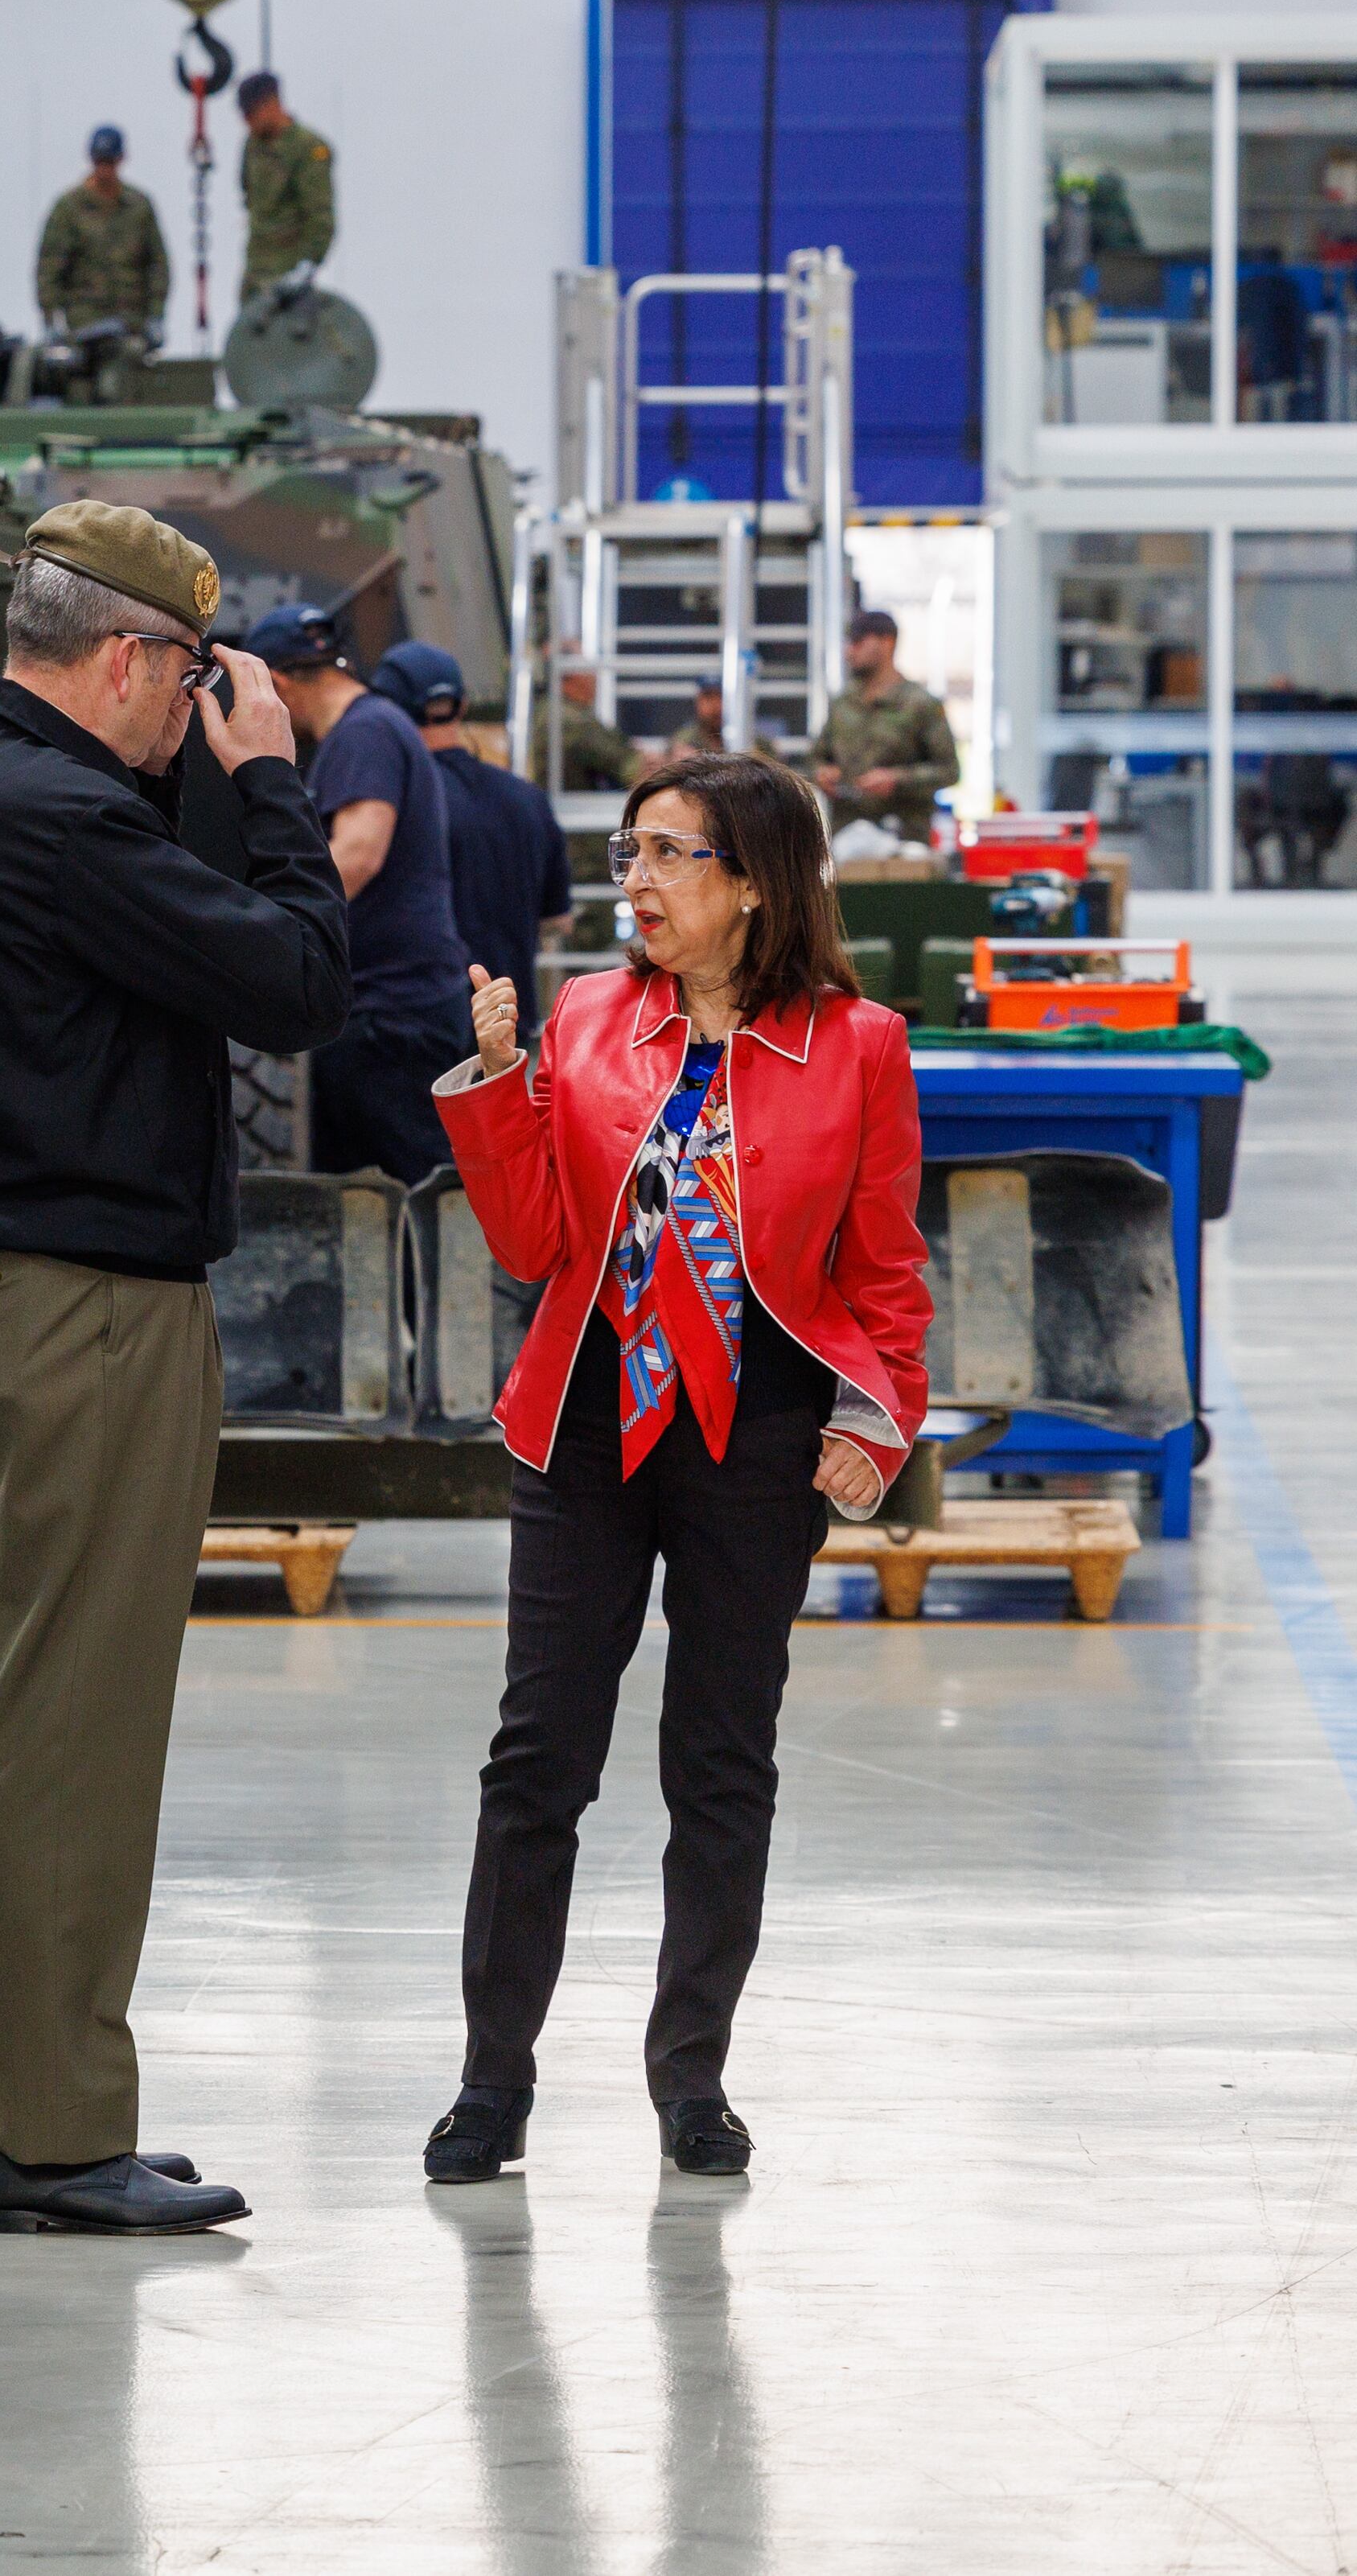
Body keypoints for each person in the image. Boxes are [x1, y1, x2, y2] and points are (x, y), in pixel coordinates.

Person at [0, 500, 347, 2239]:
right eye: (182, 688)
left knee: (35, 1709)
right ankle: (47, 2138)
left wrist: (185, 773)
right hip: (94, 1313)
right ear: (133, 657)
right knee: (82, 1723)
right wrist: (273, 778)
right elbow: (293, 974)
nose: (185, 720)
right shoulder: (63, 820)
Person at [421, 755, 931, 2187]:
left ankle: (690, 2078)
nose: (633, 882)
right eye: (626, 849)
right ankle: (491, 2083)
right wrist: (498, 1083)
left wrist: (876, 1414)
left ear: (756, 881)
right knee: (538, 1761)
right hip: (587, 1427)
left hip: (757, 1436)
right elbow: (532, 1247)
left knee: (722, 1764)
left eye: (667, 854)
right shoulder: (587, 1015)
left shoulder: (861, 1045)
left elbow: (886, 1271)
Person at [253, 605, 471, 1179]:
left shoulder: (365, 731)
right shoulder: (374, 727)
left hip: (392, 1019)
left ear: (276, 682)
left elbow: (359, 852)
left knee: (417, 1194)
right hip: (393, 1012)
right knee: (378, 1202)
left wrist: (268, 931)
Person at [384, 640, 570, 1047]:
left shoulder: (394, 802)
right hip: (506, 1022)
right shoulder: (528, 799)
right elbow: (558, 919)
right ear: (463, 705)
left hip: (420, 1025)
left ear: (390, 711)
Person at [807, 607, 959, 844]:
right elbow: (816, 758)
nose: (849, 652)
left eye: (858, 642)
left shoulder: (920, 704)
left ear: (887, 643)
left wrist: (896, 779)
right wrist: (822, 774)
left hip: (904, 840)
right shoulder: (842, 704)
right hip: (847, 839)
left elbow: (949, 770)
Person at [39, 125, 168, 337]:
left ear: (121, 159)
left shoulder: (139, 206)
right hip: (84, 322)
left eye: (110, 162)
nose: (105, 170)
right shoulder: (69, 208)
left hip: (132, 322)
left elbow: (158, 265)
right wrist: (50, 320)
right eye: (100, 162)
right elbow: (49, 268)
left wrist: (156, 316)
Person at [236, 75, 333, 296]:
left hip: (290, 275)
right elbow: (248, 195)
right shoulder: (252, 146)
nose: (247, 121)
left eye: (252, 113)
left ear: (272, 104)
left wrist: (306, 266)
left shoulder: (309, 148)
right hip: (255, 272)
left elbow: (320, 218)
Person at [552, 666, 635, 803]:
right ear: (571, 681)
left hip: (573, 800)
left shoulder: (571, 711)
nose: (594, 683)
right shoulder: (571, 719)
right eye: (588, 675)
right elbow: (627, 767)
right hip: (573, 805)